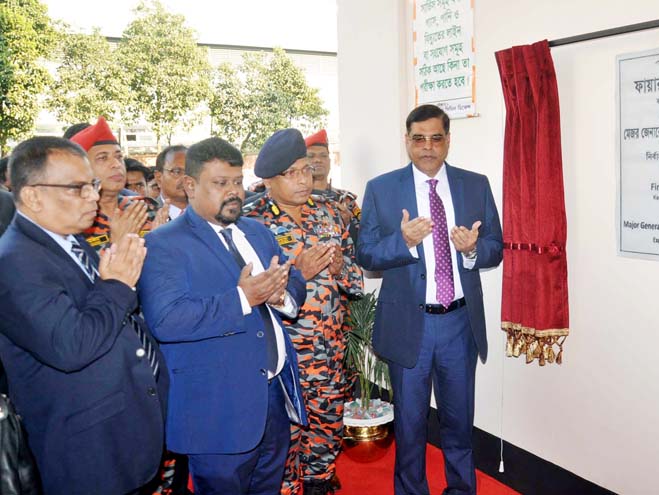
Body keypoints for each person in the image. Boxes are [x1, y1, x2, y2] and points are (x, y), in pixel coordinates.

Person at [138, 137, 309, 495]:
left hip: (272, 398)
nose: (233, 192)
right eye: (220, 184)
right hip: (216, 411)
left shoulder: (257, 232)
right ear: (190, 185)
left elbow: (291, 277)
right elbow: (167, 320)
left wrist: (281, 297)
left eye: (237, 182)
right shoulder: (164, 244)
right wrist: (244, 298)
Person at [0, 136, 168, 495]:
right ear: (33, 196)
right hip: (86, 450)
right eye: (78, 188)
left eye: (92, 185)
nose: (94, 196)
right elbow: (72, 346)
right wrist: (119, 283)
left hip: (121, 432)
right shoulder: (14, 262)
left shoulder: (68, 239)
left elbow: (113, 313)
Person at [356, 104, 503, 495]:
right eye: (418, 138)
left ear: (448, 141)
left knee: (459, 422)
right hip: (410, 327)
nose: (427, 147)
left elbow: (496, 247)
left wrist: (472, 251)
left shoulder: (476, 185)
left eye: (436, 138)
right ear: (407, 141)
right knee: (410, 424)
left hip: (458, 324)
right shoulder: (382, 189)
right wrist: (401, 242)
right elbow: (366, 254)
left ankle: (460, 490)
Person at [244, 129, 363, 495]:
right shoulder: (250, 223)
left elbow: (356, 283)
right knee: (284, 442)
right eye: (291, 173)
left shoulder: (330, 212)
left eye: (306, 170)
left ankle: (319, 482)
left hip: (329, 351)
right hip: (283, 358)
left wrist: (341, 267)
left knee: (327, 432)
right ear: (267, 180)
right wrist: (300, 273)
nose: (303, 180)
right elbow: (245, 294)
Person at [70, 117, 166, 249]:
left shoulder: (145, 209)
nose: (116, 164)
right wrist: (117, 244)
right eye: (103, 158)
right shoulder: (74, 220)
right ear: (81, 168)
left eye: (119, 157)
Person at [306, 129, 361, 243]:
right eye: (311, 156)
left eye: (323, 155)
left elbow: (365, 241)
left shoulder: (346, 199)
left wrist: (347, 224)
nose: (318, 160)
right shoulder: (298, 199)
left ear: (330, 161)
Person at [154, 145, 189, 219]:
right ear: (159, 178)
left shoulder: (209, 215)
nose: (185, 178)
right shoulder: (144, 216)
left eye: (190, 172)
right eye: (177, 172)